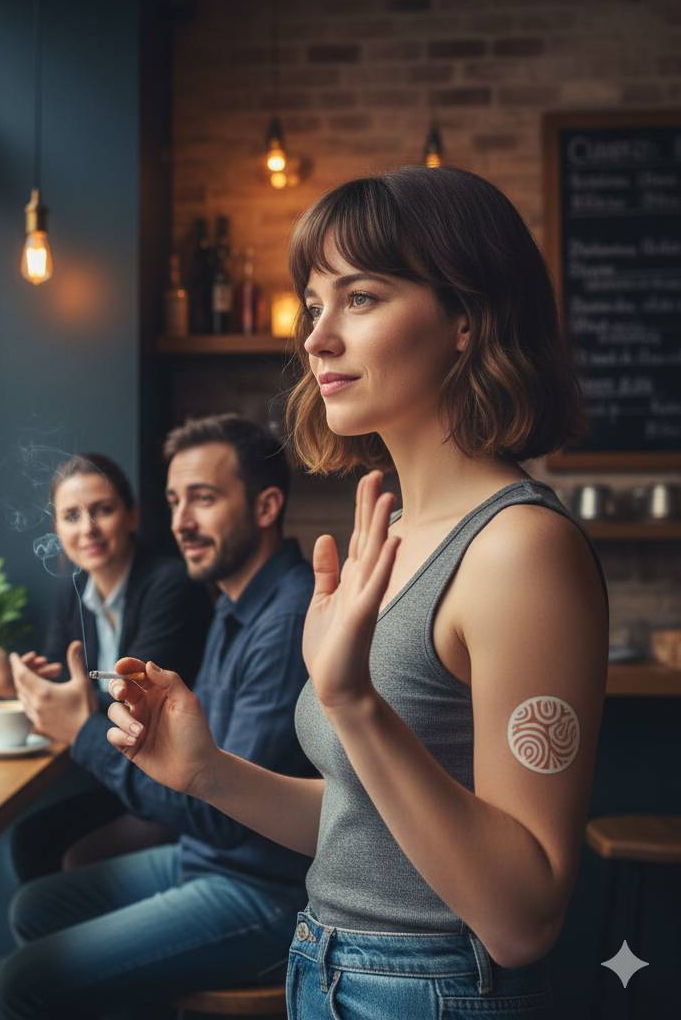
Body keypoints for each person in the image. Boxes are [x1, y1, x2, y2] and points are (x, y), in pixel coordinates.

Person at [105, 167, 610, 1020]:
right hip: (327, 966)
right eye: (314, 306)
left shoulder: (520, 550)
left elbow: (525, 917)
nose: (317, 339)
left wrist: (353, 700)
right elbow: (370, 833)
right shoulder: (398, 527)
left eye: (361, 298)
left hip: (440, 990)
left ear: (466, 320)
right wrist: (209, 774)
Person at [0, 417, 316, 1019]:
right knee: (31, 908)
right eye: (174, 501)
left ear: (267, 505)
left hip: (265, 892)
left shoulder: (288, 615)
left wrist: (85, 731)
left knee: (22, 984)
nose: (181, 522)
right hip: (206, 856)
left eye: (204, 499)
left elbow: (220, 815)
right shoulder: (233, 601)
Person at [0, 452, 210, 875]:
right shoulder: (73, 593)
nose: (87, 528)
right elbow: (63, 684)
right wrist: (14, 683)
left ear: (131, 516)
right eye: (71, 516)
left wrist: (13, 679)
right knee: (30, 840)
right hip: (114, 772)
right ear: (57, 529)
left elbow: (132, 704)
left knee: (44, 845)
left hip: (168, 783)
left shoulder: (170, 586)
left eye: (103, 510)